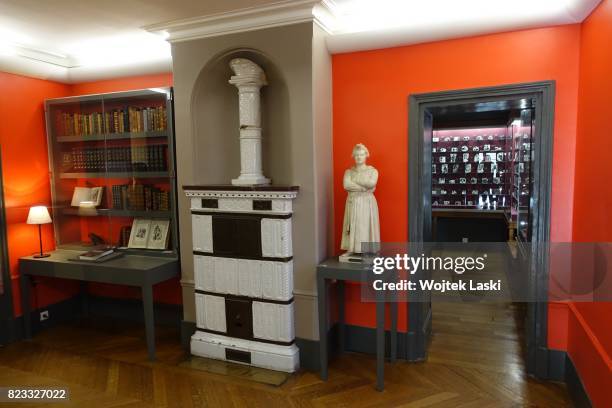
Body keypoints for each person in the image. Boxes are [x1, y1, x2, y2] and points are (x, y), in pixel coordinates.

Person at [340, 143, 380, 255]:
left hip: (366, 201)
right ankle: (351, 249)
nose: (358, 157)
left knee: (364, 225)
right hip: (353, 200)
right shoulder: (349, 172)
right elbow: (346, 185)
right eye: (356, 155)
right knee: (352, 224)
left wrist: (356, 181)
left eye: (361, 154)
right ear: (353, 156)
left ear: (366, 155)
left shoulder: (372, 171)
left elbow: (371, 183)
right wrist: (363, 187)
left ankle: (366, 250)